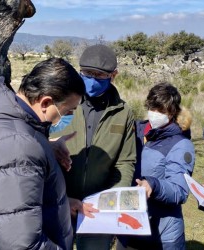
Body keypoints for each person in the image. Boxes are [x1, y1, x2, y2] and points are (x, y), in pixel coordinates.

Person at [0, 57, 86, 249]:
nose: (68, 117)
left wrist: (61, 203)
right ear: (46, 102)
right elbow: (20, 244)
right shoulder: (17, 146)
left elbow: (13, 204)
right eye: (68, 111)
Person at [51, 44, 136, 250]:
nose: (91, 80)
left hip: (97, 209)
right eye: (86, 73)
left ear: (113, 75)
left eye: (98, 75)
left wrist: (112, 199)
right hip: (59, 202)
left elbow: (126, 161)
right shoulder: (61, 103)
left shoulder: (123, 113)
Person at [117, 82, 196, 249]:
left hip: (161, 234)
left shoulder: (181, 144)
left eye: (161, 111)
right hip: (128, 226)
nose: (155, 114)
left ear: (173, 112)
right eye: (152, 108)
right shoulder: (134, 131)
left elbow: (180, 191)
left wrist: (153, 185)